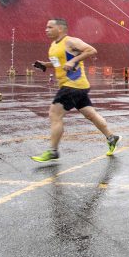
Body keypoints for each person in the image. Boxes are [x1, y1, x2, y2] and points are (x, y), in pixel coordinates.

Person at [30, 18, 119, 162]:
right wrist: (45, 65)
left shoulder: (70, 41)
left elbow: (91, 50)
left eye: (50, 27)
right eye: (46, 27)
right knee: (91, 115)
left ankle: (53, 151)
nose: (46, 30)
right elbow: (58, 63)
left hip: (72, 85)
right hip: (78, 86)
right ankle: (111, 137)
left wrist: (73, 61)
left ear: (60, 28)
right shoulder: (53, 45)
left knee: (54, 114)